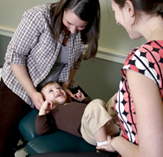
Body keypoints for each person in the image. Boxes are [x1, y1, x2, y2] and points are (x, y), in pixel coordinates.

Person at [0, 0, 101, 156]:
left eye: (80, 26)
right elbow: (15, 57)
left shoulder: (84, 30)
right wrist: (33, 93)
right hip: (20, 83)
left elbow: (76, 61)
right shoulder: (38, 17)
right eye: (68, 23)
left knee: (95, 117)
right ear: (63, 9)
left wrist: (65, 86)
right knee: (3, 138)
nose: (74, 31)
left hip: (57, 85)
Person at [97, 0, 163, 156]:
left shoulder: (142, 60)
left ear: (129, 8)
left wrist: (116, 142)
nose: (117, 21)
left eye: (114, 11)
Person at [35, 81, 120, 148]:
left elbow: (97, 112)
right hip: (89, 131)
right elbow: (40, 130)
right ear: (44, 100)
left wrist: (83, 100)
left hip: (107, 123)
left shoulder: (72, 103)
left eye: (59, 88)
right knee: (96, 103)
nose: (57, 90)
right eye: (51, 91)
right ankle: (103, 145)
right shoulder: (52, 114)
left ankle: (125, 125)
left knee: (118, 96)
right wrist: (43, 109)